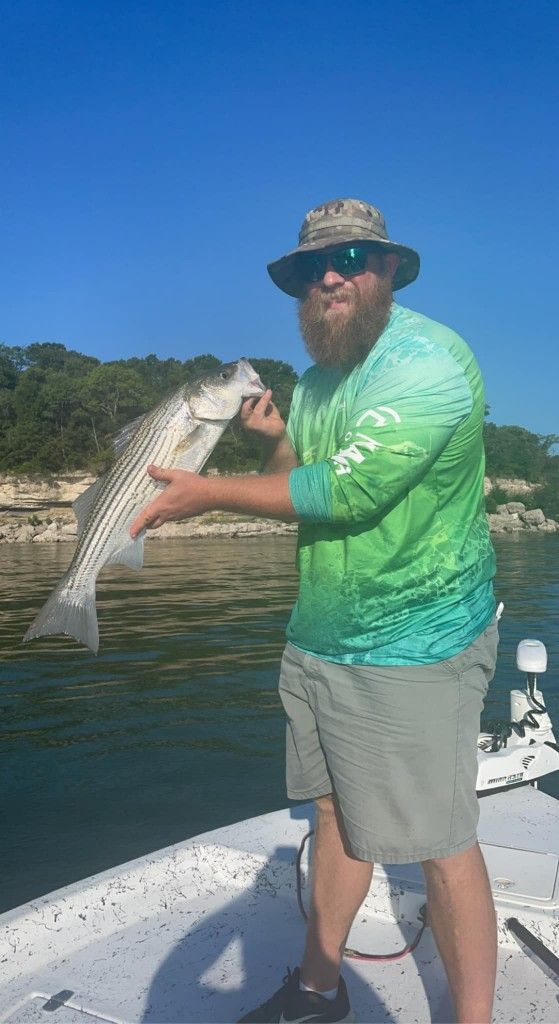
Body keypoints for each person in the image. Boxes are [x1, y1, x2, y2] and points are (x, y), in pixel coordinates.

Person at [130, 198, 498, 1024]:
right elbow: (302, 471)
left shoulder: (426, 363)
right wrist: (269, 436)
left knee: (440, 844)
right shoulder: (320, 374)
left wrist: (208, 492)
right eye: (309, 268)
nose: (328, 277)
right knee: (332, 815)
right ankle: (318, 988)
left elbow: (349, 487)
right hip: (323, 637)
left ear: (389, 268)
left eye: (351, 259)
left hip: (416, 643)